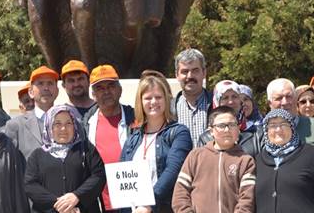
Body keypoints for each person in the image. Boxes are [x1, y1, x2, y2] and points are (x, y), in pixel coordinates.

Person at [120, 75, 192, 213]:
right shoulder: (132, 138)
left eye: (158, 97)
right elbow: (123, 177)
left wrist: (148, 204)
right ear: (140, 102)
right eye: (147, 98)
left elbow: (173, 170)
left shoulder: (179, 133)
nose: (153, 102)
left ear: (166, 99)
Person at [255, 108, 314, 213]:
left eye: (283, 124)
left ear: (292, 127)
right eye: (272, 125)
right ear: (266, 130)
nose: (278, 129)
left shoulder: (311, 154)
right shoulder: (258, 160)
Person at [172, 106, 256, 213]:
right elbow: (180, 194)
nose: (227, 130)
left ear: (238, 128)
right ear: (211, 131)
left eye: (232, 125)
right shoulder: (195, 156)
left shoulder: (245, 161)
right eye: (221, 126)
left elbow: (247, 200)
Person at [25, 104, 106, 213]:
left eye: (68, 123)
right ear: (49, 127)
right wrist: (59, 204)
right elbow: (30, 184)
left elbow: (99, 175)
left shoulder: (86, 149)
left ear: (74, 125)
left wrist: (76, 196)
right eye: (57, 124)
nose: (63, 128)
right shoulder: (37, 155)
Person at [81, 64, 135, 212]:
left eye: (111, 85)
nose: (106, 92)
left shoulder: (137, 119)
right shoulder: (85, 124)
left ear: (120, 89)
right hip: (99, 202)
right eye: (100, 88)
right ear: (93, 94)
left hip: (132, 201)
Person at [4, 66, 60, 160]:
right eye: (40, 83)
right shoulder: (15, 125)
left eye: (50, 83)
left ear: (57, 91)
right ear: (31, 92)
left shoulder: (70, 121)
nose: (46, 88)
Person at [197, 80, 259, 156]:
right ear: (217, 102)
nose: (230, 102)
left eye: (234, 97)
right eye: (225, 98)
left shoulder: (256, 133)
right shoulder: (206, 138)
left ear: (240, 101)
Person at [171, 48, 212, 148]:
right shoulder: (169, 108)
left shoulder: (216, 105)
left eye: (195, 71)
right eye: (185, 71)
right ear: (177, 75)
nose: (190, 76)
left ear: (204, 73)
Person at [265, 78, 314, 145]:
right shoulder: (263, 131)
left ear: (296, 98)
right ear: (270, 103)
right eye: (279, 98)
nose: (285, 102)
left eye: (289, 96)